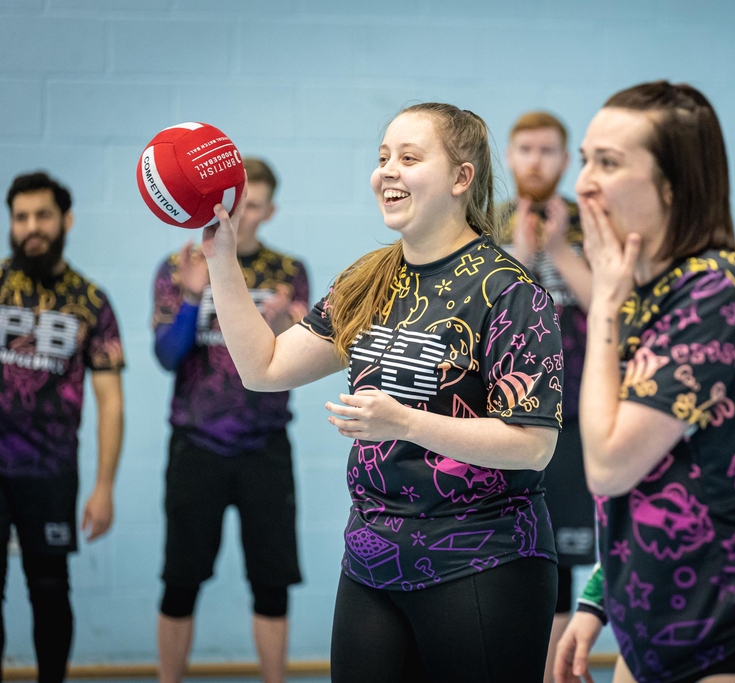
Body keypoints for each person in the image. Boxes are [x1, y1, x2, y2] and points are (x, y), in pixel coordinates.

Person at [201, 103, 564, 683]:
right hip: (372, 563)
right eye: (382, 158)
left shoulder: (511, 291)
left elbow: (532, 446)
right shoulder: (368, 279)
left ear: (461, 178)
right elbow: (263, 368)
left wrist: (407, 422)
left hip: (482, 562)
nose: (387, 171)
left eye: (410, 158)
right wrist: (221, 256)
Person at [554, 81, 735, 683]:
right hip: (652, 628)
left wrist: (601, 304)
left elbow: (608, 465)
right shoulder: (640, 295)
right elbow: (654, 480)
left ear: (673, 186)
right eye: (584, 160)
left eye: (609, 163)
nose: (582, 184)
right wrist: (600, 597)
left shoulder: (717, 288)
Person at [151, 158, 309, 683]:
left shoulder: (288, 273)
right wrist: (193, 295)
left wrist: (284, 328)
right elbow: (167, 356)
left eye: (257, 206)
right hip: (196, 445)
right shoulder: (179, 266)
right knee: (180, 579)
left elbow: (294, 364)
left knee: (271, 581)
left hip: (264, 446)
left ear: (270, 211)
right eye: (240, 205)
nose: (245, 215)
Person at [0, 172, 125, 683]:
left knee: (49, 588)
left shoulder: (92, 302)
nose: (32, 227)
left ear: (65, 221)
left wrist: (103, 486)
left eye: (43, 215)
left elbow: (110, 401)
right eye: (21, 216)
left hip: (50, 471)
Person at [501, 111, 595, 683]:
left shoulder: (591, 222)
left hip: (576, 414)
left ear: (565, 160)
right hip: (504, 415)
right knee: (511, 556)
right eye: (526, 149)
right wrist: (516, 248)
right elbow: (486, 311)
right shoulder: (482, 222)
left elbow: (612, 306)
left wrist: (559, 249)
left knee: (562, 559)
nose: (536, 160)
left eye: (549, 150)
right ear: (509, 157)